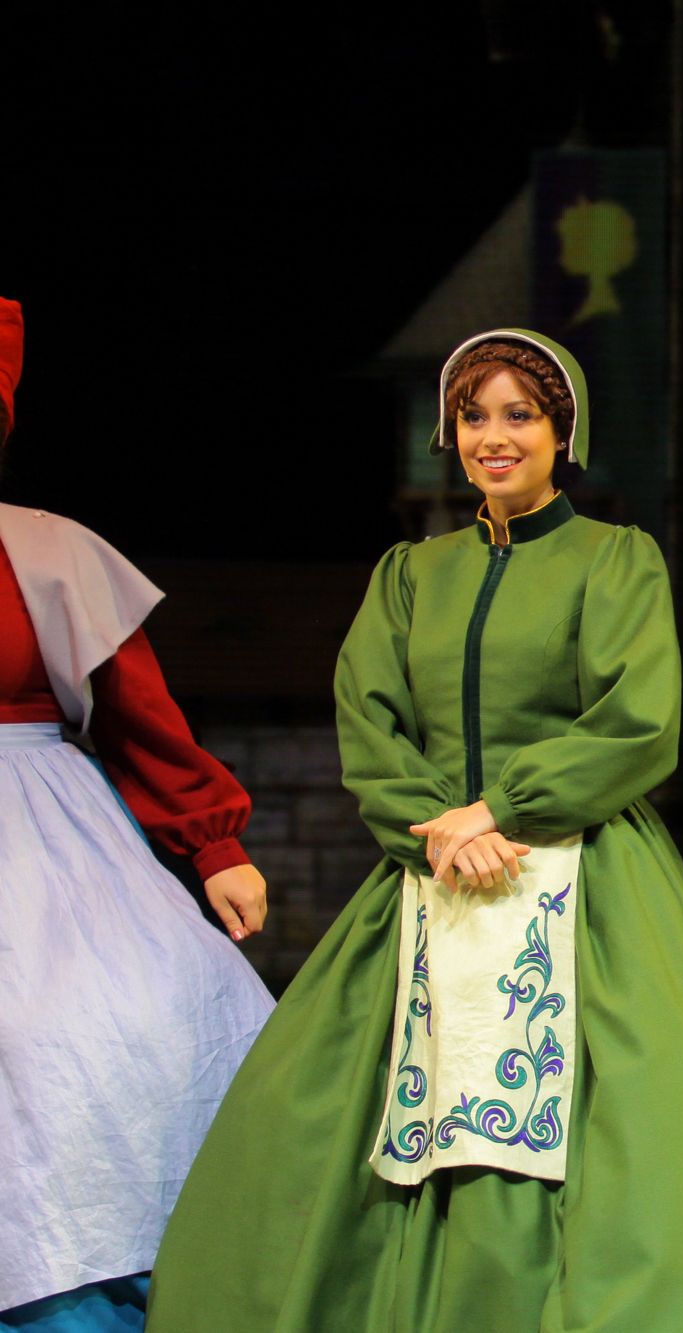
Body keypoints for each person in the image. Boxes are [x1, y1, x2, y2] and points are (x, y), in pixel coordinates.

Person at [148, 330, 683, 1332]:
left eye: (519, 414)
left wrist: (503, 807)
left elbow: (636, 721)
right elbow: (370, 718)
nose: (493, 436)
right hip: (428, 870)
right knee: (320, 1118)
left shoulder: (614, 560)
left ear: (562, 433)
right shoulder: (410, 574)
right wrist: (442, 832)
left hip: (589, 870)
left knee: (631, 1118)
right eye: (473, 416)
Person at [0, 295, 274, 1332]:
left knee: (116, 1037)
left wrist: (215, 843)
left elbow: (139, 715)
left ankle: (106, 1289)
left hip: (43, 833)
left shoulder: (46, 549)